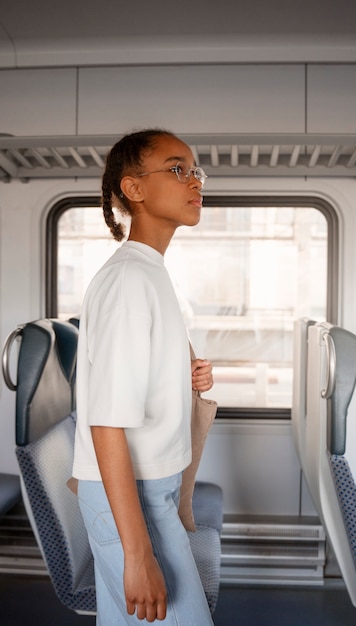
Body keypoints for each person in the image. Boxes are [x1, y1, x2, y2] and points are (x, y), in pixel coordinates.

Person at [72, 129, 215, 625]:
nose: (194, 180)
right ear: (134, 189)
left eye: (196, 170)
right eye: (178, 169)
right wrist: (137, 555)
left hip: (148, 491)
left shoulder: (150, 272)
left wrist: (183, 376)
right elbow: (106, 421)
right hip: (132, 498)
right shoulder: (130, 279)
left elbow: (133, 382)